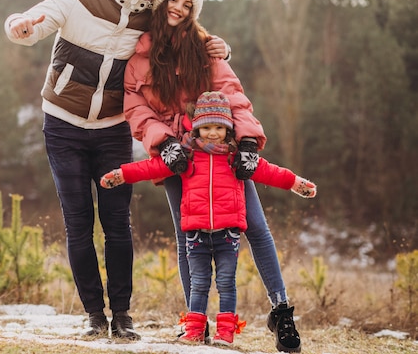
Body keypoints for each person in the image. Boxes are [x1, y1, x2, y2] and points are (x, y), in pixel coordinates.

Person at [4, 0, 230, 341]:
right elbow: (34, 22)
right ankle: (94, 314)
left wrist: (221, 48)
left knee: (117, 226)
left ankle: (122, 315)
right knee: (78, 224)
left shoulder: (153, 19)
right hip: (62, 126)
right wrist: (19, 25)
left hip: (112, 131)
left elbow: (187, 39)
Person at [122, 0, 304, 352]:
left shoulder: (206, 49)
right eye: (173, 0)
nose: (179, 8)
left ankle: (281, 310)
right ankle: (196, 323)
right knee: (185, 233)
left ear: (193, 13)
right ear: (160, 3)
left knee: (255, 225)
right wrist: (163, 142)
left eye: (188, 5)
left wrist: (249, 140)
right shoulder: (138, 54)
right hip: (177, 154)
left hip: (220, 148)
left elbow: (232, 95)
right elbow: (135, 107)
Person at [100, 91, 317, 345]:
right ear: (196, 129)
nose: (212, 133)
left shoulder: (235, 158)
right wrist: (122, 174)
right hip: (196, 234)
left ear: (228, 129)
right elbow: (152, 167)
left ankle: (226, 332)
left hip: (228, 235)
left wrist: (295, 183)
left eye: (219, 128)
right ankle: (195, 329)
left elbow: (268, 171)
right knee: (199, 282)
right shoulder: (187, 156)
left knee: (227, 282)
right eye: (206, 128)